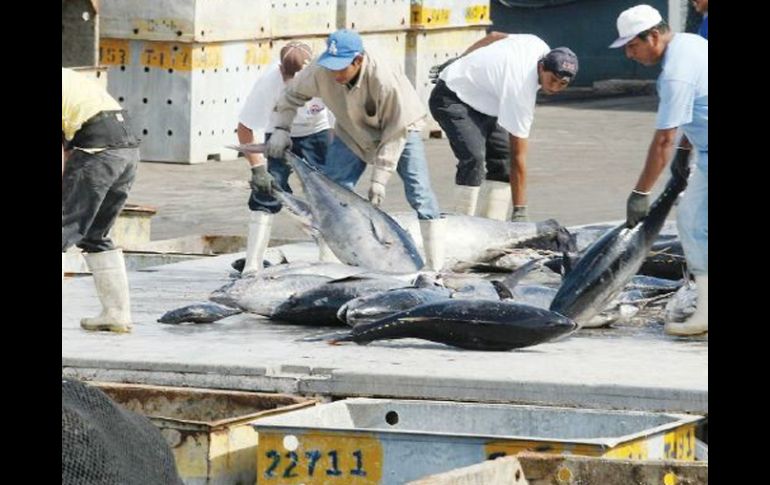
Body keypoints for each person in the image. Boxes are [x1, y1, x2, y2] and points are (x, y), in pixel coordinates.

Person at [266, 29, 446, 270]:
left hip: (401, 130)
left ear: (358, 60)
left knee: (419, 192)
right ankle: (329, 260)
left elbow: (395, 132)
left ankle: (436, 267)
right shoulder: (321, 70)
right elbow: (291, 96)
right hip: (351, 131)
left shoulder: (384, 77)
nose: (335, 73)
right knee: (334, 189)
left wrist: (380, 179)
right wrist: (281, 128)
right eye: (331, 66)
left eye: (341, 67)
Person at [610, 4, 708, 336]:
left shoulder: (675, 71)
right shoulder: (689, 43)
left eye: (632, 45)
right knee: (694, 220)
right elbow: (696, 108)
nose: (629, 53)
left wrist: (641, 192)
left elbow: (664, 139)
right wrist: (686, 151)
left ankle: (706, 312)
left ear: (653, 35)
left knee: (694, 223)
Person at [428, 33, 578, 221]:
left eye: (562, 84)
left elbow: (495, 36)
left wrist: (462, 58)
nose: (555, 87)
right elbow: (519, 157)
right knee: (474, 157)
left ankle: (492, 224)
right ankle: (461, 222)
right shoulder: (521, 89)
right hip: (452, 95)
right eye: (552, 80)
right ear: (541, 67)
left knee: (503, 157)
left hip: (488, 103)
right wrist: (520, 211)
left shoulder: (538, 45)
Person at [237, 42, 335, 274]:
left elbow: (340, 118)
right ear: (281, 69)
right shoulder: (269, 83)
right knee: (266, 192)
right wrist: (258, 169)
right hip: (279, 134)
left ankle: (329, 257)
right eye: (287, 75)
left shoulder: (328, 78)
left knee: (326, 194)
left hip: (317, 132)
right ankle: (252, 264)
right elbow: (244, 128)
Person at [62, 67, 140, 333]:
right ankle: (116, 313)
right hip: (127, 150)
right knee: (95, 234)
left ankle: (115, 313)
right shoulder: (68, 77)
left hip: (97, 150)